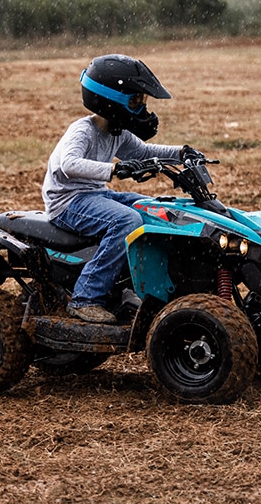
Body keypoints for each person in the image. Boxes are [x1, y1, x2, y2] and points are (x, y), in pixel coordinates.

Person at [42, 53, 191, 324]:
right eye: (136, 101)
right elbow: (68, 164)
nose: (142, 108)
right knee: (126, 220)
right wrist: (113, 169)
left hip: (96, 195)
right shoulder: (83, 130)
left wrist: (182, 154)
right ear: (111, 101)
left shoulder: (116, 132)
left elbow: (144, 152)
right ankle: (85, 297)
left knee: (154, 209)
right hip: (68, 201)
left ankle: (134, 286)